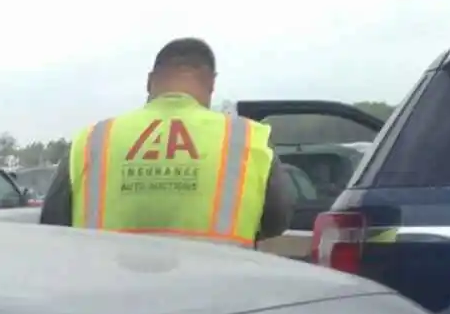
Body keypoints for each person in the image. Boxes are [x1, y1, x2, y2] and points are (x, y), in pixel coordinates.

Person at [37, 38, 293, 245]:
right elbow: (277, 220)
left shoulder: (92, 140)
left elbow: (53, 224)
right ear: (211, 83)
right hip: (217, 300)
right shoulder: (248, 138)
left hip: (107, 299)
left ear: (150, 81)